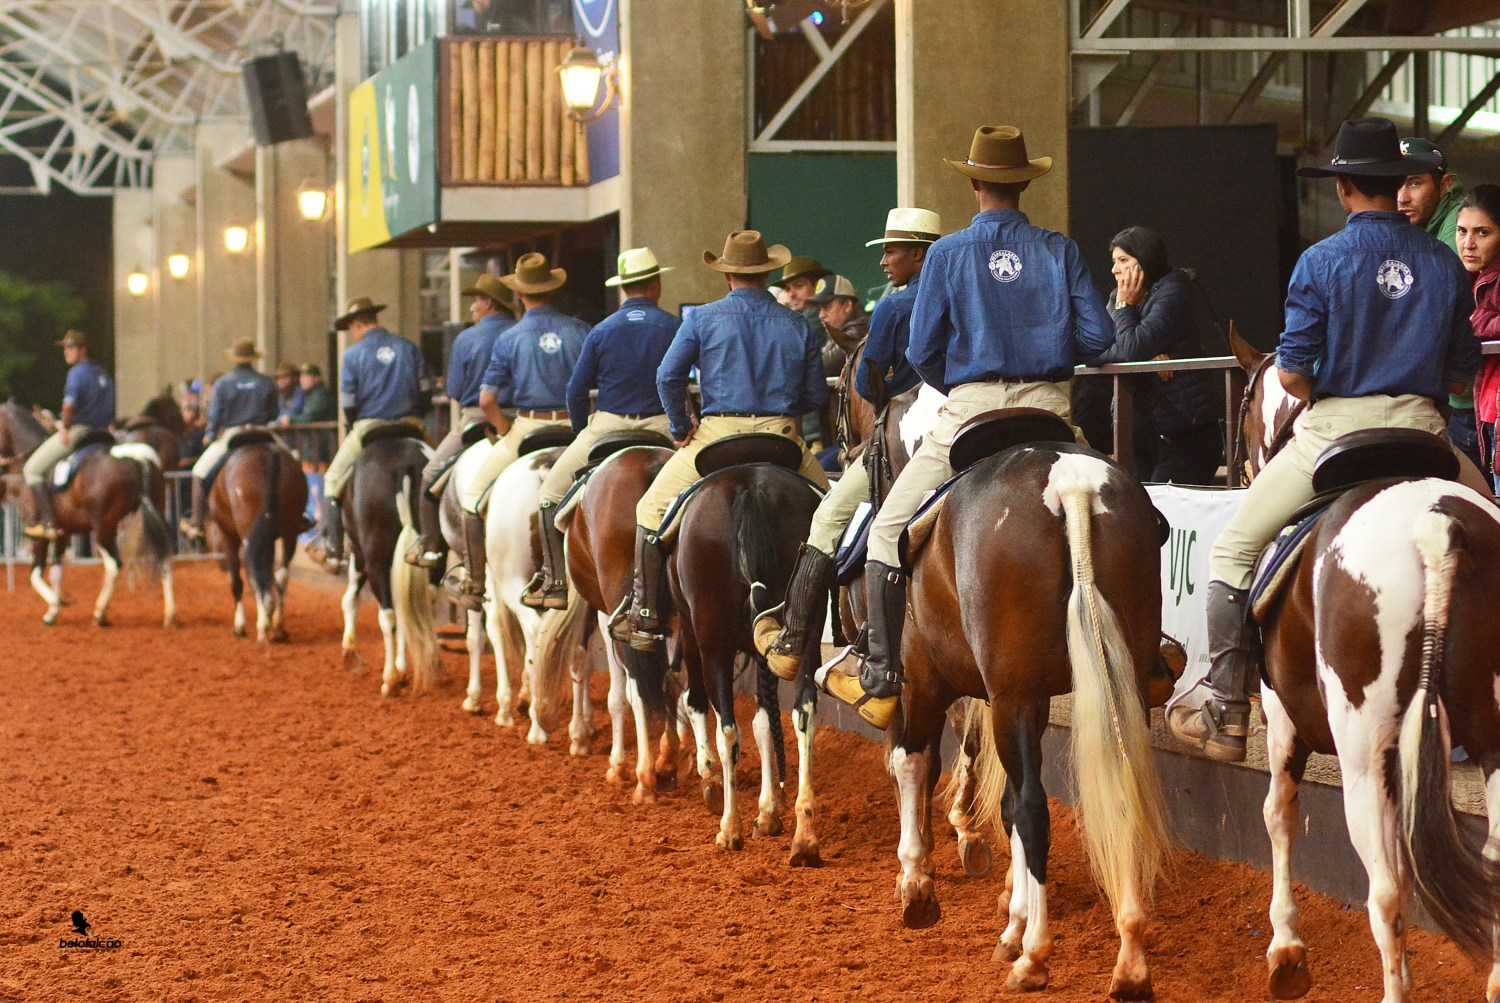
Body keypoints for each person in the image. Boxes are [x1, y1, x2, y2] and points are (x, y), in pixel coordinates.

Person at [1168, 118, 1493, 762]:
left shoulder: (1319, 262)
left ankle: (1230, 707)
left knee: (1233, 552)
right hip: (1426, 436)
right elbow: (1460, 369)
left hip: (1335, 439)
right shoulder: (1443, 263)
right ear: (1398, 184)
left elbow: (1292, 372)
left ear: (1344, 187)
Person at [819, 125, 1114, 729]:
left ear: (976, 183)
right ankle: (1147, 653)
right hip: (1049, 412)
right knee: (1126, 512)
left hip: (969, 413)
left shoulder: (949, 254)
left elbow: (924, 350)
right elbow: (1100, 339)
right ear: (1025, 183)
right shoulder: (1058, 249)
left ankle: (879, 673)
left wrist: (964, 376)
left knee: (885, 530)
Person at [616, 230, 831, 651]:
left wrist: (681, 426)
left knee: (650, 509)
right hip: (781, 439)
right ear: (767, 272)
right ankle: (841, 624)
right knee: (837, 519)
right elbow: (817, 395)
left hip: (717, 439)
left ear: (727, 276)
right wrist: (787, 410)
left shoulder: (701, 318)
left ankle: (645, 614)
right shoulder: (796, 323)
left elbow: (667, 376)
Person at [753, 207, 940, 677]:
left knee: (829, 515)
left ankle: (796, 637)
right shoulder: (963, 294)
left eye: (891, 250)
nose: (883, 262)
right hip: (978, 417)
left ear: (918, 254)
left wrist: (889, 389)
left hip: (909, 433)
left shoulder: (896, 306)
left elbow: (866, 381)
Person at [520, 247, 679, 610]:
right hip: (661, 423)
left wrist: (581, 432)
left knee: (548, 496)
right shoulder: (675, 325)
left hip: (607, 425)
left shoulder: (602, 330)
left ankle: (555, 581)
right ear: (655, 284)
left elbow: (576, 391)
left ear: (623, 288)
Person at [454, 253, 588, 610]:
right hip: (577, 430)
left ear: (519, 296)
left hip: (529, 426)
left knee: (471, 498)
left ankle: (475, 583)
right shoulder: (579, 330)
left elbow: (486, 400)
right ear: (552, 290)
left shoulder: (510, 337)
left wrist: (502, 428)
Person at [307, 298, 433, 573]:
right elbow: (425, 392)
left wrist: (355, 427)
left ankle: (334, 549)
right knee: (444, 472)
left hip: (369, 426)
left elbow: (349, 404)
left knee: (331, 479)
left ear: (356, 325)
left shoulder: (353, 355)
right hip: (412, 423)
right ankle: (437, 544)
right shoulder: (408, 347)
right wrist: (416, 418)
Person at [1093, 226, 1222, 484]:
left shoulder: (1174, 289)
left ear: (1144, 259)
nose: (1114, 270)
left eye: (1123, 260)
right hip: (1142, 436)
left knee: (1163, 514)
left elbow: (1131, 348)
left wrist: (1124, 308)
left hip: (1186, 435)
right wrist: (1146, 361)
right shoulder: (1117, 298)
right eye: (1114, 262)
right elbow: (1093, 349)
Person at [407, 274, 517, 567]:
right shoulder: (521, 331)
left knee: (430, 476)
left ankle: (430, 546)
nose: (471, 309)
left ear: (489, 303)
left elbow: (455, 390)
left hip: (477, 419)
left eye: (475, 301)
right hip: (523, 418)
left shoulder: (467, 337)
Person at [1399, 137, 1484, 475]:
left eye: (1415, 182)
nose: (1403, 197)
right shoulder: (1421, 225)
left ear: (1444, 183)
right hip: (1462, 400)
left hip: (1478, 403)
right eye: (1396, 184)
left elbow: (1429, 303)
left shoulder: (1455, 229)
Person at [179, 339, 281, 542]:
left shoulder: (224, 383)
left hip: (233, 435)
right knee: (292, 462)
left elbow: (215, 414)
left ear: (234, 359)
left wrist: (210, 433)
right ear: (253, 358)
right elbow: (274, 412)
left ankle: (197, 523)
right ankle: (301, 515)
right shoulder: (266, 381)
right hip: (263, 432)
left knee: (199, 472)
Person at [21, 330, 115, 539]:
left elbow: (69, 406)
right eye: (65, 348)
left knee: (32, 469)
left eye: (70, 347)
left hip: (79, 431)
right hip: (104, 433)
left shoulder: (76, 373)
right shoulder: (103, 374)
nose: (66, 352)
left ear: (83, 350)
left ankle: (48, 523)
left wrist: (63, 427)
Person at [1458, 183, 1500, 484]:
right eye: (1462, 231)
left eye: (1482, 232)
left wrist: (1471, 321)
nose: (1468, 243)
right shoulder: (1477, 278)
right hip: (1489, 410)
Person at [807, 274, 868, 375]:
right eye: (819, 309)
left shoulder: (857, 331)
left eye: (827, 307)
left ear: (847, 305)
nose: (821, 315)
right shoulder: (839, 329)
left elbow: (821, 366)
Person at [287, 362, 337, 467]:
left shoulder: (319, 395)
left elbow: (310, 417)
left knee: (316, 479)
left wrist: (291, 420)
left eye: (306, 376)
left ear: (317, 378)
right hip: (313, 449)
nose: (302, 380)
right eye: (301, 377)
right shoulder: (310, 394)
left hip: (320, 450)